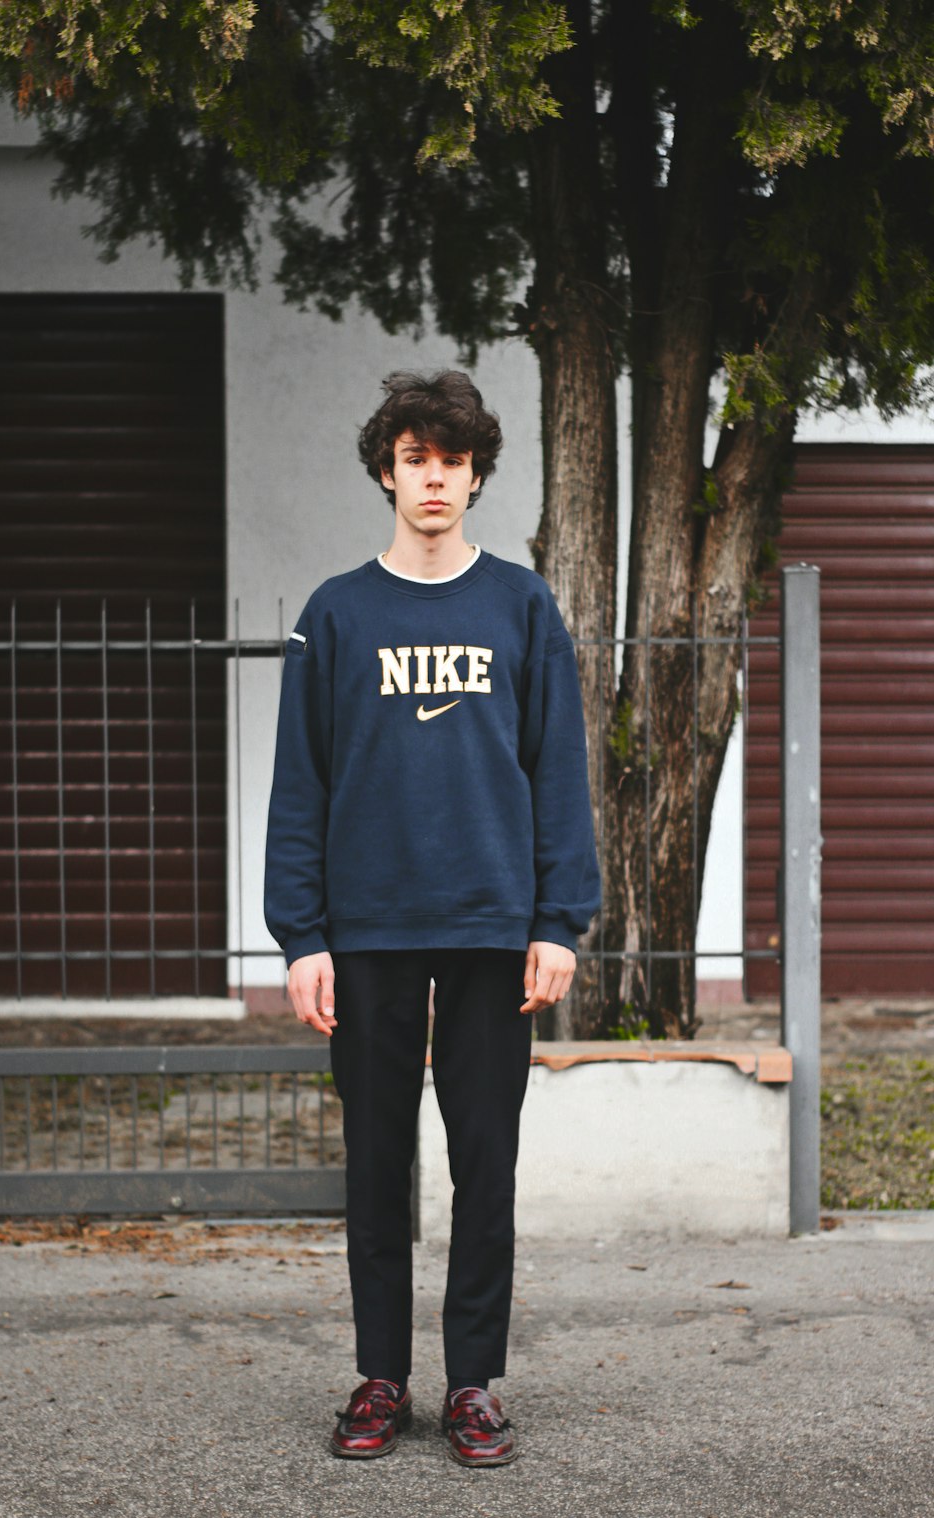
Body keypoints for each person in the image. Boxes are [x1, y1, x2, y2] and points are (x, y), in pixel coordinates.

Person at [263, 370, 600, 1467]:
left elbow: (557, 774)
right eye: (415, 458)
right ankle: (378, 1378)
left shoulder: (520, 606)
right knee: (374, 1163)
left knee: (484, 1161)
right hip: (364, 929)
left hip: (493, 925)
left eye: (452, 460)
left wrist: (560, 919)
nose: (434, 478)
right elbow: (298, 785)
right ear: (385, 471)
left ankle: (472, 1385)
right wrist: (300, 936)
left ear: (475, 473)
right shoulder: (335, 613)